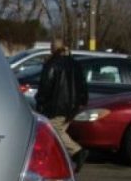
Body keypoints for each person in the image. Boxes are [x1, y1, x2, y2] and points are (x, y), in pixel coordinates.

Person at [35, 39, 90, 172]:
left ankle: (77, 152)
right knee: (59, 133)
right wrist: (82, 101)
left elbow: (45, 87)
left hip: (57, 106)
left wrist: (40, 101)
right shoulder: (75, 64)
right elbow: (83, 84)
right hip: (72, 106)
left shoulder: (52, 65)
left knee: (54, 131)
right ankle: (56, 160)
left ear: (52, 49)